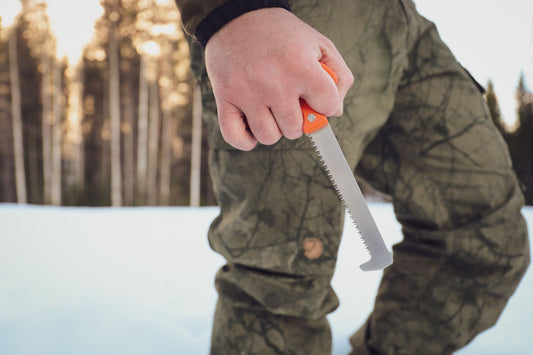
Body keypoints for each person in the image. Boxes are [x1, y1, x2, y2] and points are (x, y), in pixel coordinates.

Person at [174, 0, 530, 354]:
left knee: (484, 236)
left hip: (400, 19)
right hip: (284, 18)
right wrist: (234, 10)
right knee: (282, 272)